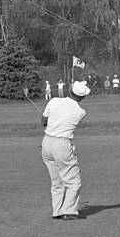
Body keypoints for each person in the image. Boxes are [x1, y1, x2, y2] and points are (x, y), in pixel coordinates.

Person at [40, 81, 91, 220]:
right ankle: (69, 211)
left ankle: (57, 211)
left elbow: (43, 122)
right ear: (82, 97)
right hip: (62, 144)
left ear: (69, 90)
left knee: (56, 181)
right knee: (73, 181)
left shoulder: (54, 101)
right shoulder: (81, 112)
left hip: (47, 142)